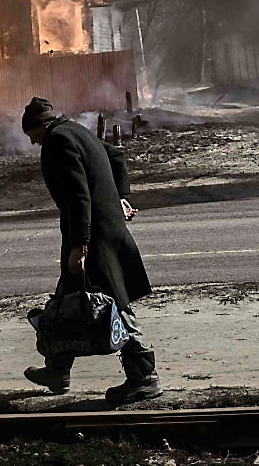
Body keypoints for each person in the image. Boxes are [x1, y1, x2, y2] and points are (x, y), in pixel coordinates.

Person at [20, 96, 159, 404]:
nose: (36, 145)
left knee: (115, 304)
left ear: (40, 128)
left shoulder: (57, 140)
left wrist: (80, 246)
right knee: (66, 300)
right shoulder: (78, 131)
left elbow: (78, 197)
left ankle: (145, 377)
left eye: (34, 138)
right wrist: (121, 197)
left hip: (93, 237)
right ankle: (57, 370)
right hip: (104, 231)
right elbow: (116, 156)